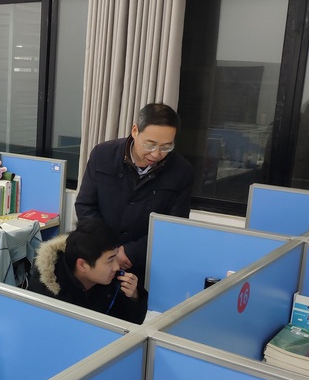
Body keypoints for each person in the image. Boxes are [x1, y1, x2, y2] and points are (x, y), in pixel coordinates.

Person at [75, 103, 193, 282]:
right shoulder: (103, 155)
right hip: (99, 258)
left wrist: (131, 252)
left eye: (166, 147)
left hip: (143, 264)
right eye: (150, 144)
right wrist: (110, 250)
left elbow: (174, 227)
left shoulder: (182, 171)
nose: (156, 154)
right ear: (135, 130)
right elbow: (85, 205)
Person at [26, 218, 148, 324]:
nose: (117, 267)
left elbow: (130, 326)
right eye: (110, 260)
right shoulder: (43, 293)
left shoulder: (112, 279)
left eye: (116, 256)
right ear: (82, 265)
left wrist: (134, 297)